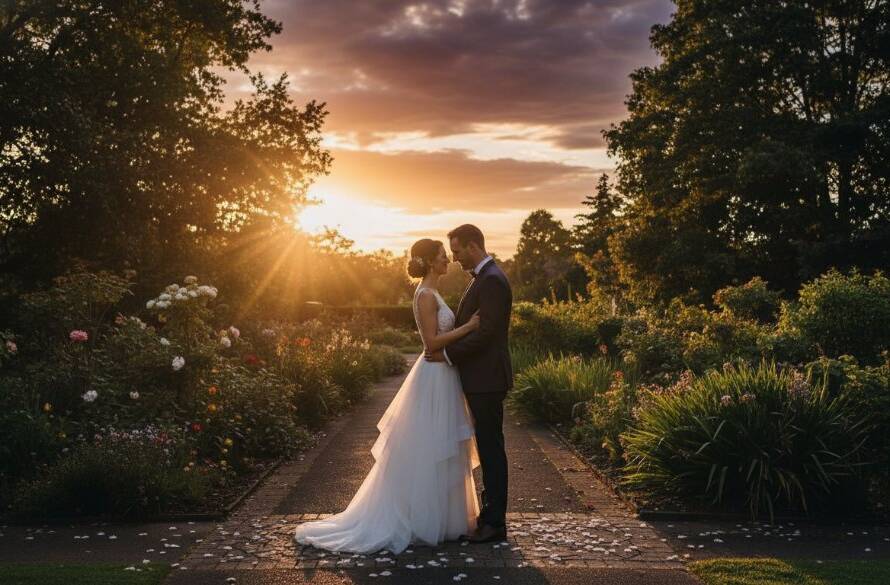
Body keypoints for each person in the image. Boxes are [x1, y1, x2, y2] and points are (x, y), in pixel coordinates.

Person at [293, 238, 481, 554]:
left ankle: (447, 520)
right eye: (442, 255)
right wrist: (470, 327)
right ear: (430, 261)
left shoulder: (433, 293)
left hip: (444, 375)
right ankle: (421, 519)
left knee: (443, 444)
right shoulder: (424, 295)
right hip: (433, 376)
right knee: (427, 446)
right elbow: (432, 343)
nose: (447, 259)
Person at [426, 224, 513, 544]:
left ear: (473, 247)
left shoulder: (491, 280)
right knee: (489, 448)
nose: (455, 258)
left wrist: (446, 353)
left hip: (487, 379)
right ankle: (490, 518)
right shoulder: (486, 278)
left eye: (458, 251)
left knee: (491, 450)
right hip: (482, 378)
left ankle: (494, 524)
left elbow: (486, 332)